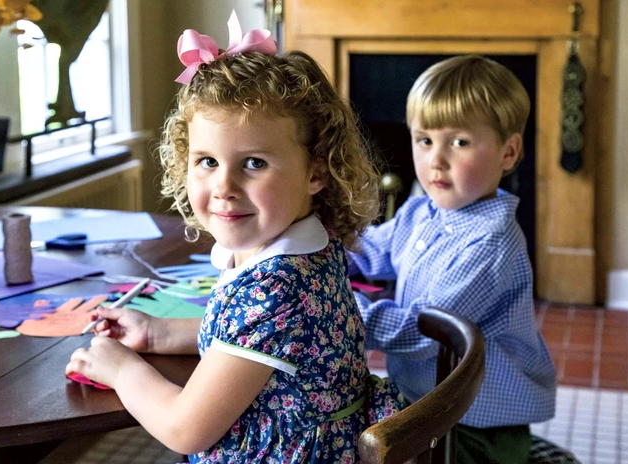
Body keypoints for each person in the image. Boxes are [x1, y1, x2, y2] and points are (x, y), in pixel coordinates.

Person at [65, 13, 403, 464]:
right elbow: (250, 343)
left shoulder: (276, 289)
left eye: (254, 163)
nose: (224, 186)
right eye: (207, 161)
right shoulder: (305, 245)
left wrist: (122, 370)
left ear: (316, 172)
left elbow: (184, 429)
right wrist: (157, 332)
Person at [348, 55, 557, 464]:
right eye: (424, 140)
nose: (436, 160)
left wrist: (345, 313)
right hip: (423, 400)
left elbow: (424, 333)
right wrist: (320, 253)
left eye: (459, 142)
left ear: (508, 152)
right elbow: (370, 251)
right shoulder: (421, 211)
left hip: (475, 426)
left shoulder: (490, 244)